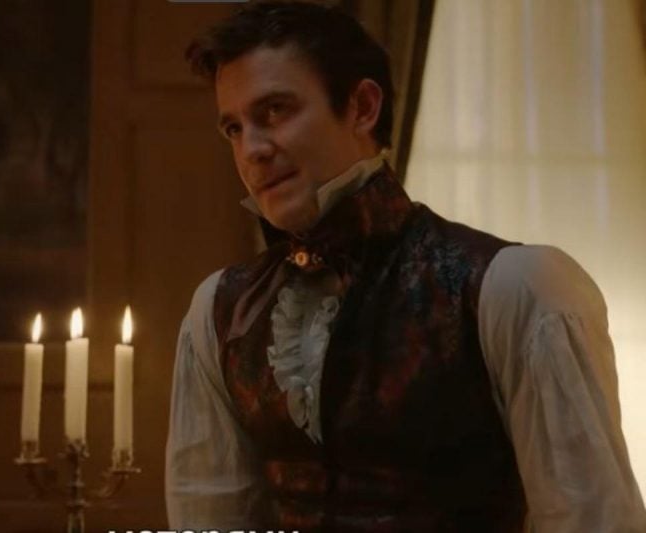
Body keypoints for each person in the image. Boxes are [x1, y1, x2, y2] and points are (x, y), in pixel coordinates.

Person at [165, 2, 646, 531]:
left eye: (275, 111)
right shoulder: (222, 311)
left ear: (362, 107)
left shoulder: (511, 288)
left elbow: (591, 518)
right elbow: (208, 514)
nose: (251, 150)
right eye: (234, 128)